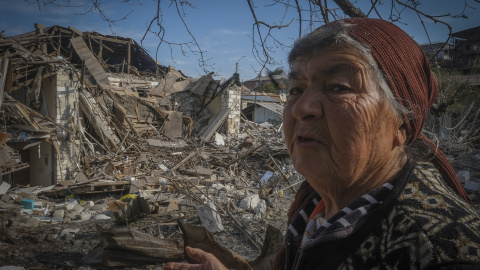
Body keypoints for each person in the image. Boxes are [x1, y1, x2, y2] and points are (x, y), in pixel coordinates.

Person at [165, 18, 480, 270]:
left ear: (400, 123)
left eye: (339, 87)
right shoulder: (316, 205)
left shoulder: (441, 251)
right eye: (296, 89)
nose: (303, 108)